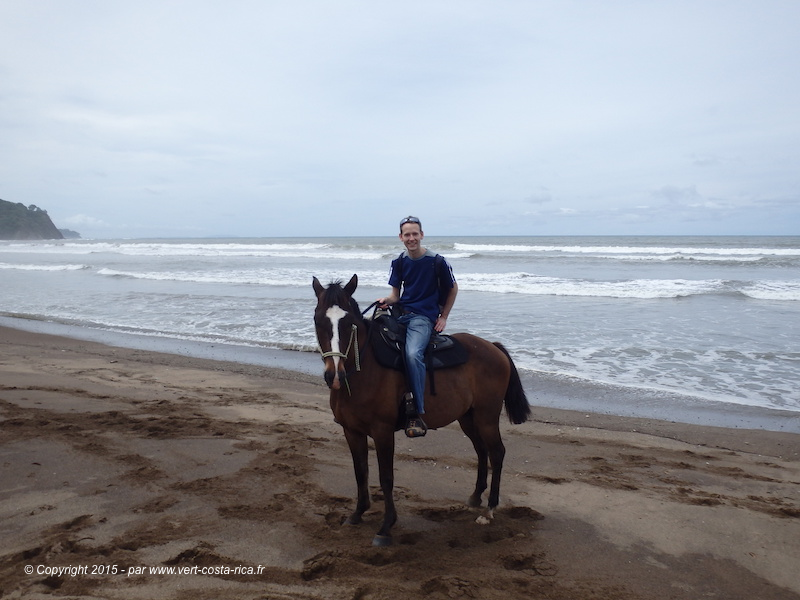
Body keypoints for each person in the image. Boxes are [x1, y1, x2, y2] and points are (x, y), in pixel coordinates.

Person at [377, 216, 458, 437]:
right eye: (407, 234)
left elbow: (453, 288)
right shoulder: (399, 262)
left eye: (415, 234)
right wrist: (386, 301)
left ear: (421, 235)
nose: (411, 238)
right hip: (400, 314)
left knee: (413, 354)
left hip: (422, 318)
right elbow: (396, 295)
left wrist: (443, 317)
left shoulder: (437, 261)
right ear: (400, 237)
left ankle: (417, 412)